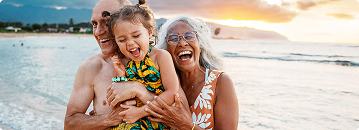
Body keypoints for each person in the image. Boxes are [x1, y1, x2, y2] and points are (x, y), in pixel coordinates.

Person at [107, 15, 239, 130]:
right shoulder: (159, 82)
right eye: (174, 39)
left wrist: (187, 125)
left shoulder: (221, 82)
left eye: (189, 36)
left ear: (201, 45)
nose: (182, 43)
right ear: (166, 50)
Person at [64, 0, 144, 129]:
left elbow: (182, 119)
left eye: (106, 23)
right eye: (94, 24)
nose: (97, 32)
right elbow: (69, 124)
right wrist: (109, 119)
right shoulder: (91, 67)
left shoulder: (158, 61)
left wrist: (139, 90)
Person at [106, 0, 179, 129]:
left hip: (155, 122)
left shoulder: (160, 57)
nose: (130, 43)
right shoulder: (122, 63)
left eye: (136, 35)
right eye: (122, 40)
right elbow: (117, 101)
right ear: (116, 42)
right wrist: (121, 75)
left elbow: (172, 94)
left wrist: (140, 112)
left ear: (149, 32)